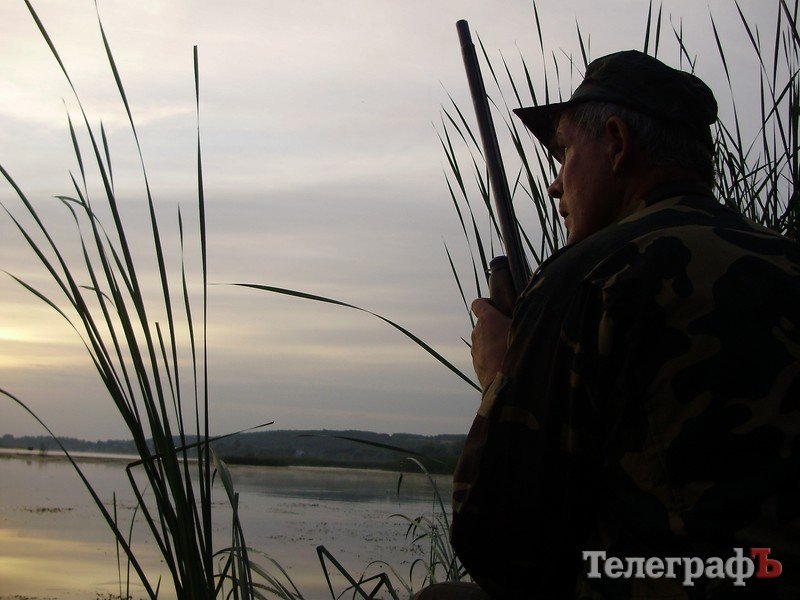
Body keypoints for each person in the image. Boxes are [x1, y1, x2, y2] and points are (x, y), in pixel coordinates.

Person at [420, 50, 800, 598]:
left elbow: (502, 547)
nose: (555, 185)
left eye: (564, 153)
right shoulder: (788, 259)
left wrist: (501, 376)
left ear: (617, 143)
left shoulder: (589, 277)